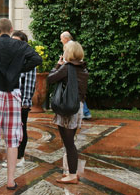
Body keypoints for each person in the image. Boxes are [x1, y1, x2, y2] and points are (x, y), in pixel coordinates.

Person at [0, 18, 42, 191]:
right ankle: (11, 180)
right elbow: (37, 59)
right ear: (11, 30)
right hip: (13, 93)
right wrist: (18, 68)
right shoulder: (19, 46)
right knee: (12, 138)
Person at [47, 41, 89, 185]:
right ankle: (72, 172)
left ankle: (72, 174)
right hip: (77, 107)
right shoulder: (83, 69)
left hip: (66, 108)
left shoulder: (67, 67)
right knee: (70, 142)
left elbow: (50, 78)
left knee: (69, 143)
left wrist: (58, 65)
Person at [1, 30, 36, 168]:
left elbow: (29, 82)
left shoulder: (27, 58)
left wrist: (25, 101)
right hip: (9, 100)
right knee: (10, 130)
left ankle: (20, 157)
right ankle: (13, 156)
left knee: (21, 129)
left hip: (21, 101)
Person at [61, 32, 91, 120]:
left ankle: (84, 112)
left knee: (75, 93)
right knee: (78, 93)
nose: (61, 40)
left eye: (61, 38)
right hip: (77, 73)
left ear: (66, 38)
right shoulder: (74, 45)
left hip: (73, 73)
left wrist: (61, 65)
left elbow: (69, 60)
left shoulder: (70, 47)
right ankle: (85, 112)